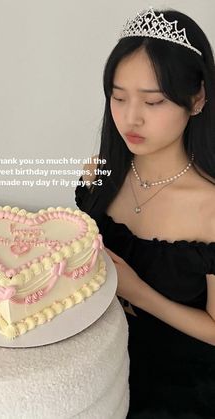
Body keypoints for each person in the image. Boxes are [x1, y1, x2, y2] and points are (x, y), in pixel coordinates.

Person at [75, 7, 215, 418]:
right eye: (118, 97)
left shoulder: (210, 208)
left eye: (153, 101)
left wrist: (138, 292)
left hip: (184, 387)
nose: (130, 117)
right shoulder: (99, 173)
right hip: (101, 363)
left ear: (198, 98)